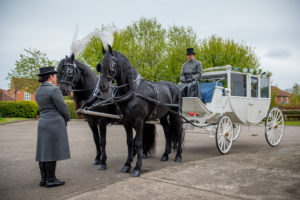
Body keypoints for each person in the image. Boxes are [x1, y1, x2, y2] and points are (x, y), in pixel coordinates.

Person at [35, 66, 71, 188]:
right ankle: (51, 179)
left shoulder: (38, 91)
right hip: (54, 123)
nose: (56, 78)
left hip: (43, 123)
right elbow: (63, 107)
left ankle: (44, 179)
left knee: (43, 150)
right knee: (51, 151)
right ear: (51, 76)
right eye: (55, 75)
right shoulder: (54, 90)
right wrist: (67, 118)